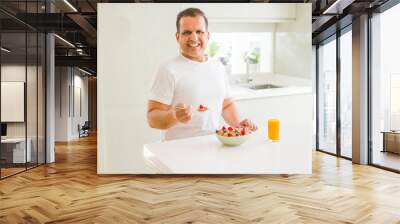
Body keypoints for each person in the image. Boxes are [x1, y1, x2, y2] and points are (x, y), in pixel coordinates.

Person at [147, 7, 257, 140]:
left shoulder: (218, 67)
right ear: (178, 37)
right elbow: (152, 118)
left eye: (199, 31)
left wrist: (238, 124)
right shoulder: (168, 69)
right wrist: (174, 116)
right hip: (178, 150)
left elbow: (226, 104)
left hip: (213, 145)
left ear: (208, 35)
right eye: (187, 32)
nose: (194, 38)